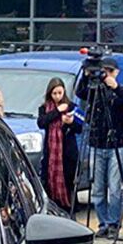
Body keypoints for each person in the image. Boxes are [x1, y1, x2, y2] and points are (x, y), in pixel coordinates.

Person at [76, 57, 123, 240]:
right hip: (97, 142)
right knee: (97, 188)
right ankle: (102, 223)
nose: (106, 74)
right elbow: (80, 92)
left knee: (115, 187)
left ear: (116, 72)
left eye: (109, 71)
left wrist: (114, 86)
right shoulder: (95, 91)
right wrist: (86, 75)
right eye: (104, 71)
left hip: (118, 144)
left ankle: (113, 223)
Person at [36, 77, 81, 210]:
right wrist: (57, 111)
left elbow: (80, 128)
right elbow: (42, 123)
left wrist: (70, 123)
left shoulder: (71, 106)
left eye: (60, 93)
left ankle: (69, 210)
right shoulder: (45, 108)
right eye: (54, 93)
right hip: (51, 155)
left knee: (68, 184)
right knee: (49, 183)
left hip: (67, 154)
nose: (57, 96)